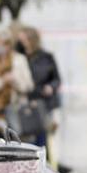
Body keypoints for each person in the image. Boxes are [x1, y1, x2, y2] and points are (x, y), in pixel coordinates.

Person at [19, 25, 63, 156]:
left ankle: (42, 166)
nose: (21, 42)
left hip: (43, 104)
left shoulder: (46, 57)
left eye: (23, 39)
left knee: (41, 139)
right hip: (24, 102)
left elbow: (57, 79)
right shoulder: (18, 57)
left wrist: (51, 87)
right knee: (24, 139)